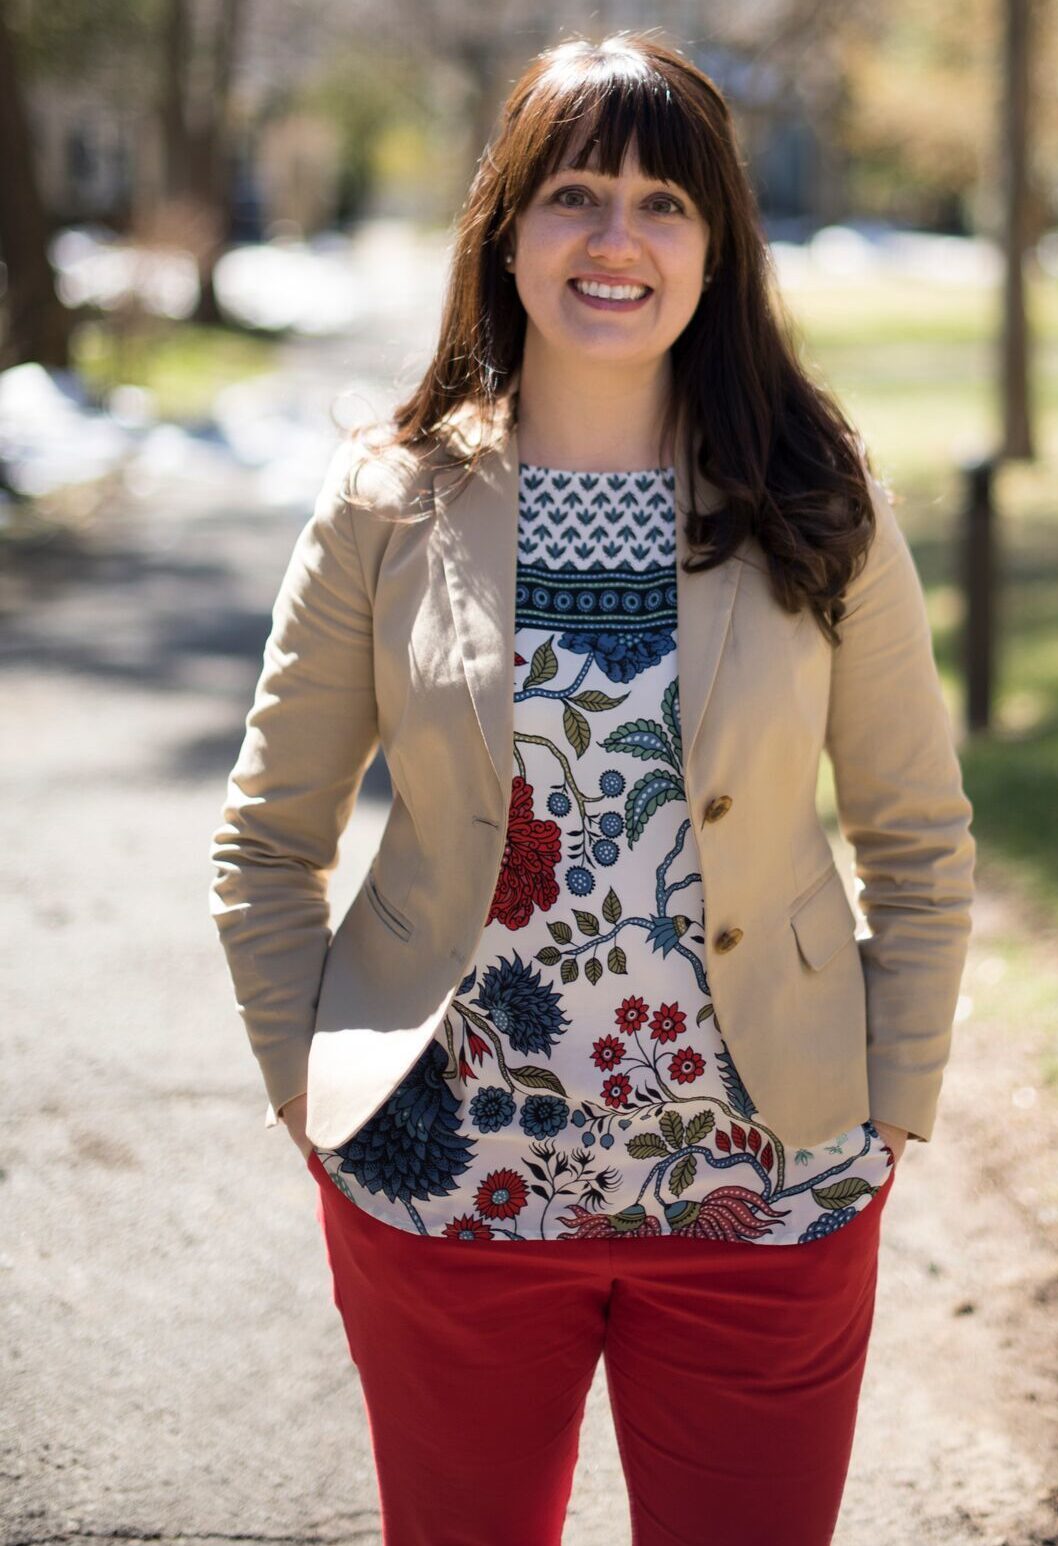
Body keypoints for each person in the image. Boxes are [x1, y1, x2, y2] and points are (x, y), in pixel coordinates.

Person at [209, 30, 975, 1546]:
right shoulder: (389, 496)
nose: (616, 238)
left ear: (714, 246)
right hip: (449, 1184)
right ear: (505, 229)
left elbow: (914, 834)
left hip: (770, 1188)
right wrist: (314, 1095)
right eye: (572, 193)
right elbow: (270, 836)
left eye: (662, 202)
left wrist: (889, 1108)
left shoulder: (816, 493)